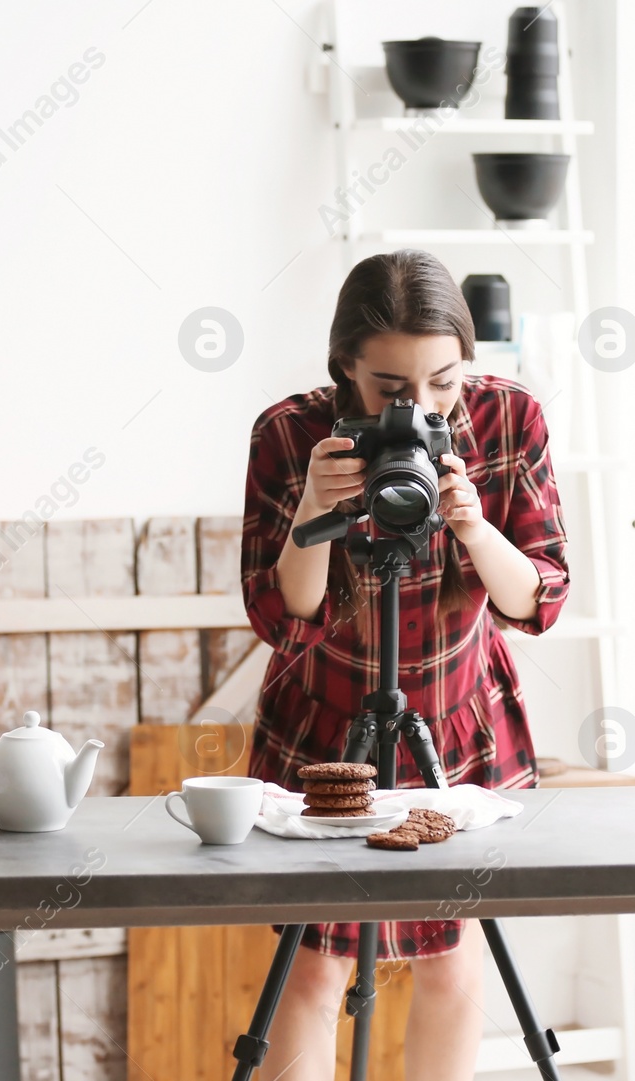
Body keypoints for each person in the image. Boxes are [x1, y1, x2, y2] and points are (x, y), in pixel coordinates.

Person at [240, 249, 569, 1081]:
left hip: (458, 719)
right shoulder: (291, 433)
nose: (419, 409)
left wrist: (473, 527)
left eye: (445, 383)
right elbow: (285, 615)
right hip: (326, 723)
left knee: (451, 959)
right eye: (390, 388)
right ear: (343, 366)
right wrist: (316, 506)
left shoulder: (509, 420)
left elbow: (538, 598)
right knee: (314, 964)